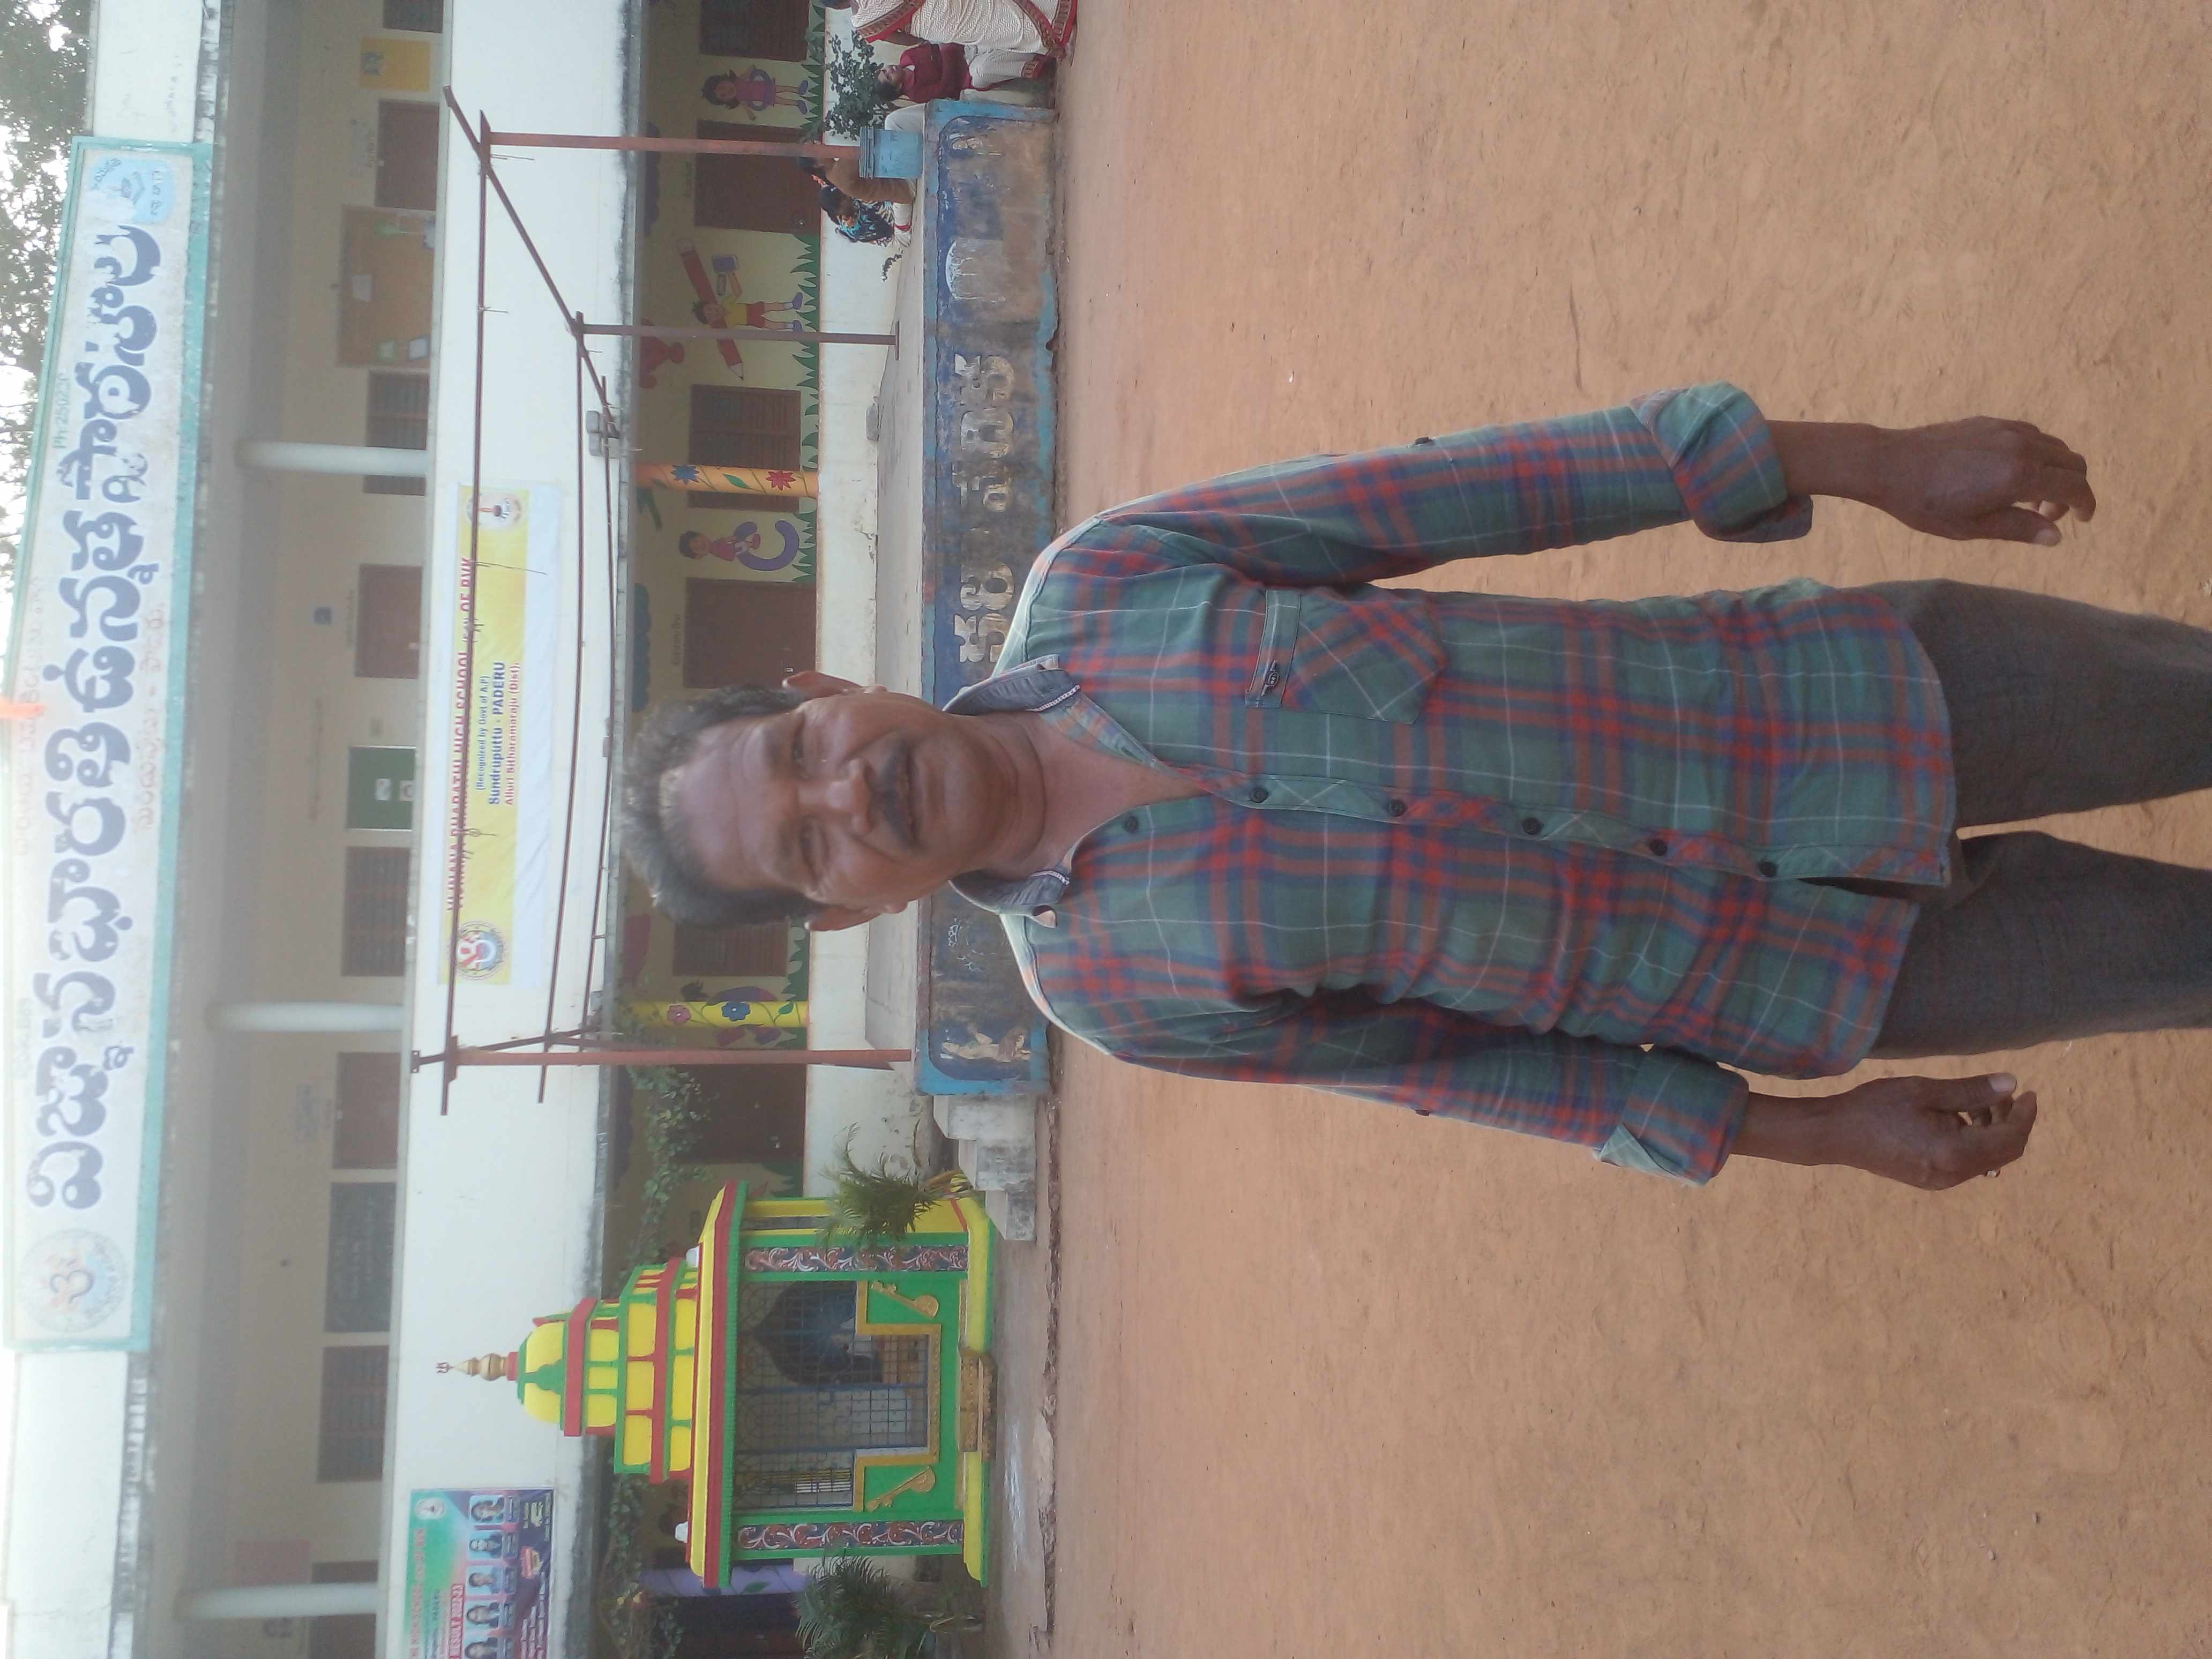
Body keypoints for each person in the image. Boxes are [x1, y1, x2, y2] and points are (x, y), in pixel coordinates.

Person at [618, 382, 2204, 1194]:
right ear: (843, 917)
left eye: (801, 755)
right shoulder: (1111, 994)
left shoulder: (1104, 578)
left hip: (1848, 695)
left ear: (818, 692)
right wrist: (1816, 1135)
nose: (849, 796)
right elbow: (1467, 1071)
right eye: (808, 850)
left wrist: (1869, 458)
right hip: (1817, 978)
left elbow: (1477, 488)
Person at [826, 0, 1075, 59]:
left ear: (837, 8)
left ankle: (1052, 42)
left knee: (995, 31)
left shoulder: (864, 26)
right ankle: (1057, 11)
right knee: (997, 6)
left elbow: (901, 39)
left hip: (935, 26)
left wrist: (923, 38)